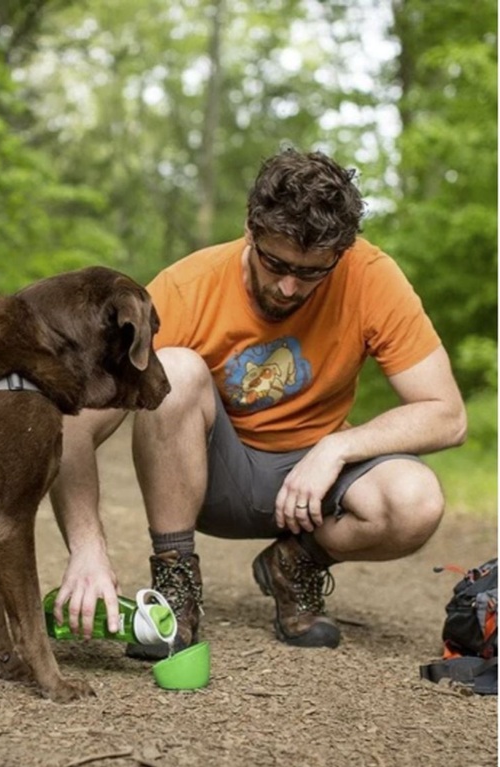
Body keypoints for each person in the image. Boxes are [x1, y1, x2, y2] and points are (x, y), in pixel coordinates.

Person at [48, 148, 467, 658]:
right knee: (174, 369)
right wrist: (87, 549)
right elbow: (74, 421)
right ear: (250, 229)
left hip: (314, 486)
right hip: (214, 479)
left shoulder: (370, 276)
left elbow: (446, 414)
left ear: (341, 253)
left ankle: (294, 564)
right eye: (276, 264)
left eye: (312, 272)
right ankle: (177, 586)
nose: (289, 287)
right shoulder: (186, 288)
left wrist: (336, 448)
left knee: (416, 501)